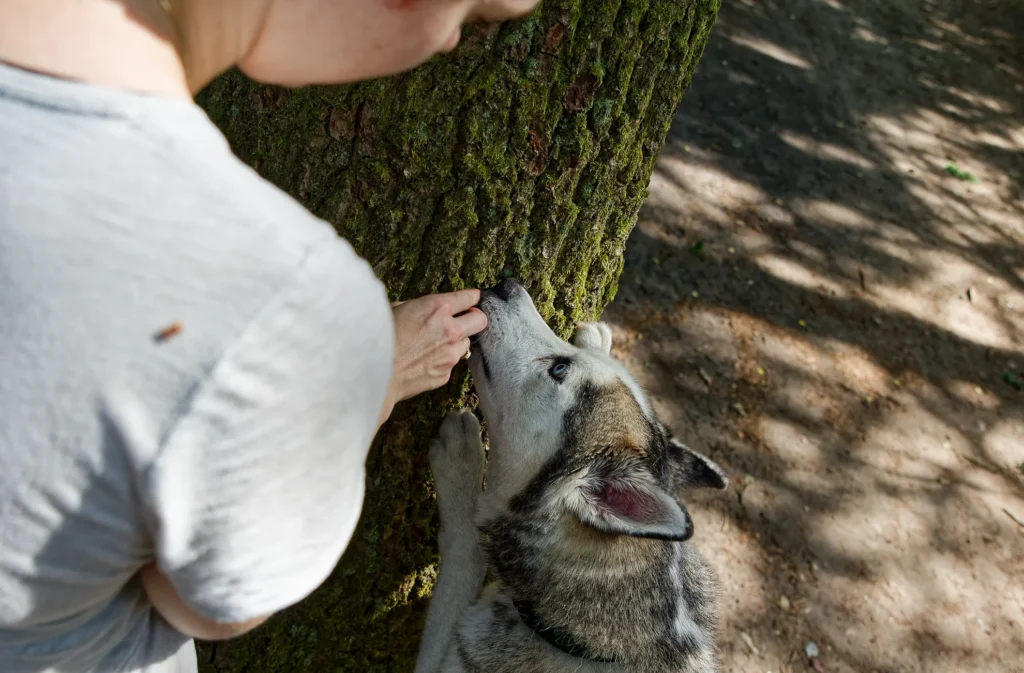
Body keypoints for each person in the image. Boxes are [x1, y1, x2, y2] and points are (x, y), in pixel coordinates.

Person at [0, 0, 539, 671]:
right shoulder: (283, 306)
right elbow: (207, 602)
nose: (452, 38)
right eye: (476, 12)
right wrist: (364, 377)